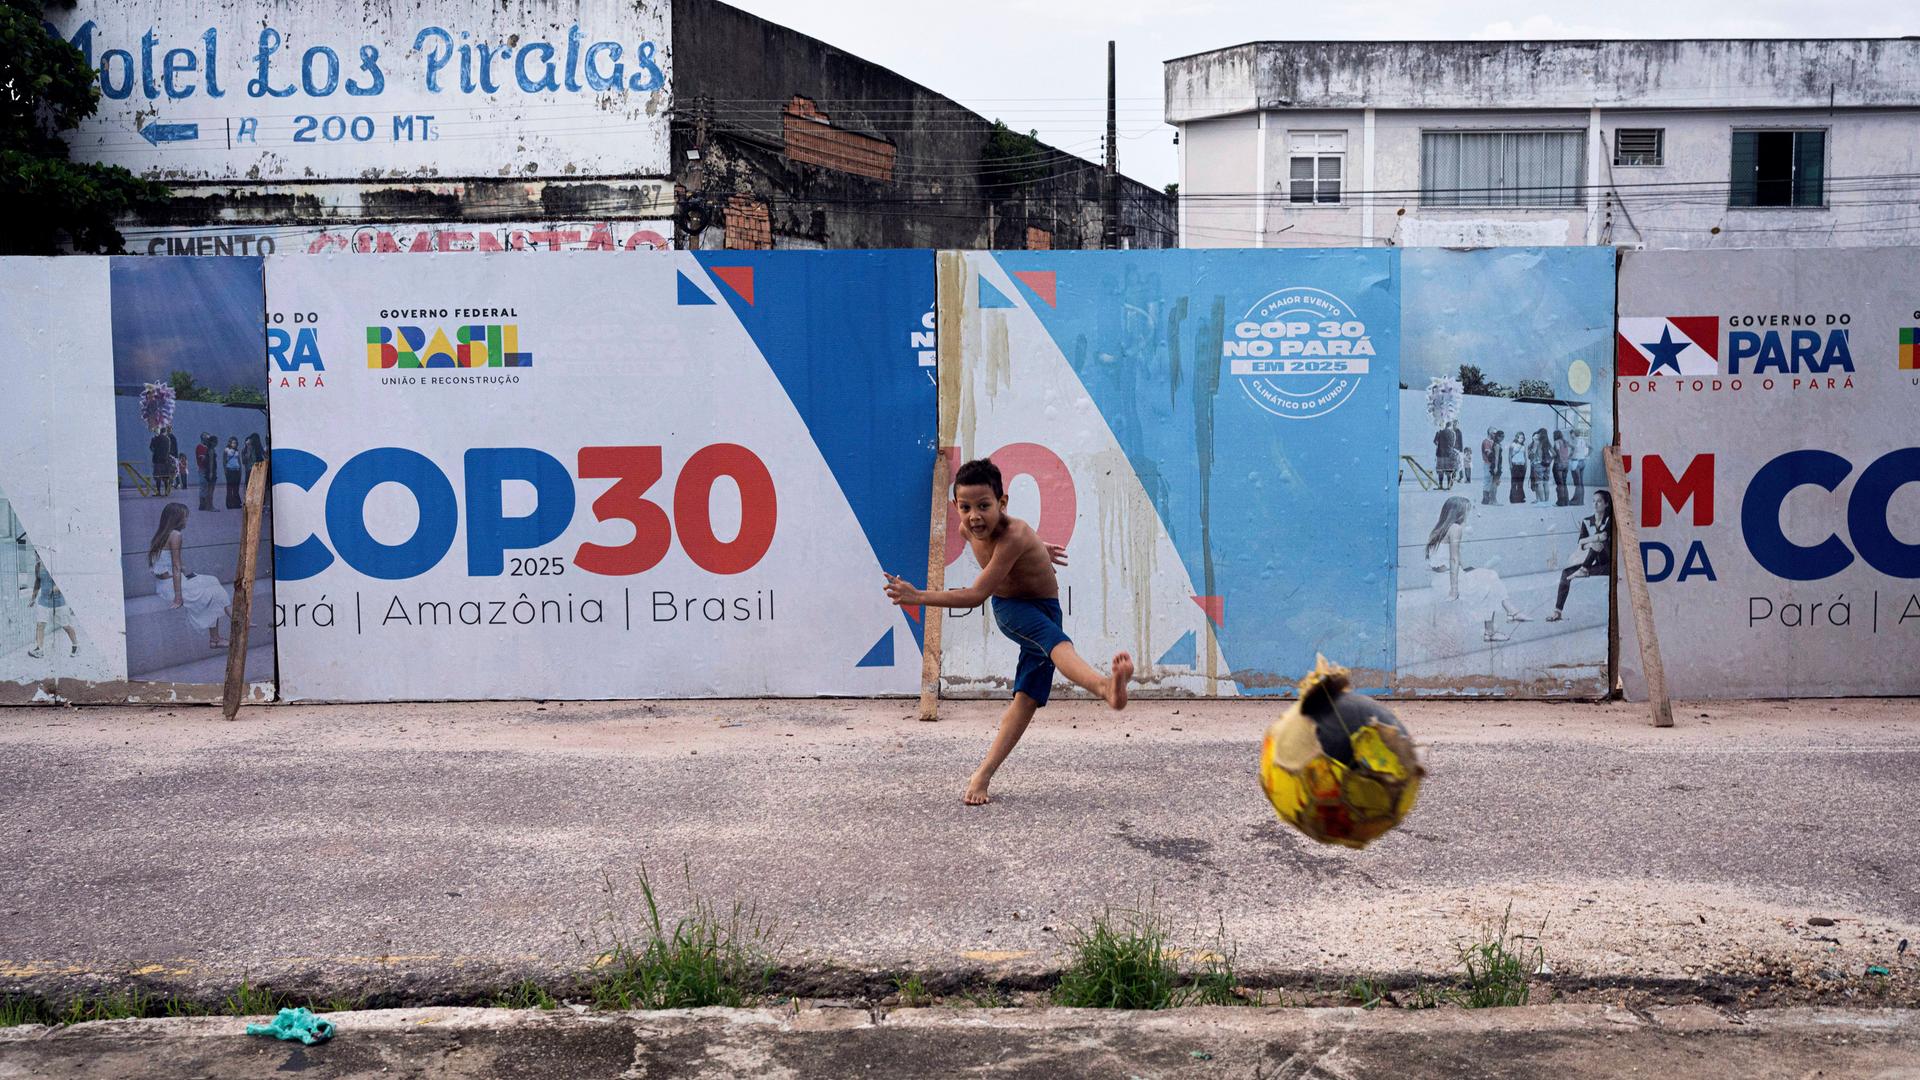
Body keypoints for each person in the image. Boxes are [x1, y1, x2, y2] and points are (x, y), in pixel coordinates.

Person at [884, 458, 1133, 805]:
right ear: (956, 506)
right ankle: (1104, 686)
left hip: (1045, 607)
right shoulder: (966, 529)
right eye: (966, 507)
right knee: (1056, 644)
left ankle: (982, 775)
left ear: (1002, 504)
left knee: (1026, 701)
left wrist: (1034, 547)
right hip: (1012, 609)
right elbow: (978, 594)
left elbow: (1006, 551)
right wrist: (918, 597)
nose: (974, 517)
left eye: (984, 506)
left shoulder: (1015, 534)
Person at [1426, 496, 1529, 642]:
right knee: (1491, 580)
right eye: (1467, 511)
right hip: (1451, 582)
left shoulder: (1437, 530)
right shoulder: (1455, 528)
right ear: (1459, 513)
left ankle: (1508, 614)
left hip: (1439, 580)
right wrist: (1454, 590)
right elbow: (1454, 560)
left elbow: (1441, 562)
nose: (1468, 515)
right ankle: (1504, 619)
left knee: (1489, 577)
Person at [147, 502, 233, 650]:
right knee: (214, 592)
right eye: (185, 517)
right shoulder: (176, 535)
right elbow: (176, 566)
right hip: (172, 587)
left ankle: (217, 636)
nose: (186, 520)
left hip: (163, 585)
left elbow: (162, 566)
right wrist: (178, 596)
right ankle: (226, 629)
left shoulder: (160, 535)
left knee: (212, 580)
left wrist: (186, 574)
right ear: (177, 518)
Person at [1547, 490, 1613, 622]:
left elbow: (1604, 536)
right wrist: (1591, 543)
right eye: (1593, 501)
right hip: (1594, 565)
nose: (1595, 504)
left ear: (1606, 504)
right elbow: (1581, 543)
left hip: (1609, 565)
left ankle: (1584, 569)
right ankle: (1557, 612)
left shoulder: (1610, 520)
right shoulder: (1587, 521)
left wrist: (1591, 540)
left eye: (1599, 501)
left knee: (1599, 541)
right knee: (1566, 573)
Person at [26, 556, 78, 659]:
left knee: (66, 626)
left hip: (58, 603)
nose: (38, 557)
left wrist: (55, 588)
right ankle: (40, 649)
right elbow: (37, 582)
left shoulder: (56, 564)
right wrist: (33, 598)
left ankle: (75, 645)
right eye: (37, 554)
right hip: (43, 602)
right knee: (40, 625)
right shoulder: (38, 566)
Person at [148, 427, 174, 497]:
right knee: (165, 476)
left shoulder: (155, 438)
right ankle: (166, 492)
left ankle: (158, 492)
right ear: (165, 432)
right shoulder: (168, 439)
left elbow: (151, 447)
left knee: (158, 476)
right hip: (165, 460)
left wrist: (155, 451)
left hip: (157, 460)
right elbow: (169, 450)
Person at [1481, 428, 1503, 506]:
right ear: (1490, 433)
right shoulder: (1486, 442)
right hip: (1488, 463)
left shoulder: (1493, 442)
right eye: (1494, 433)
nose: (1495, 434)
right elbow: (1488, 453)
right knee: (1488, 481)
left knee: (1492, 482)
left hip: (1492, 464)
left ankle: (1488, 499)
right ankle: (1486, 499)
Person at [1529, 429, 1552, 504]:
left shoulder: (1537, 442)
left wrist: (1533, 450)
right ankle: (1547, 501)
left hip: (1538, 465)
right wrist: (1549, 460)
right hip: (1547, 465)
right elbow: (1554, 453)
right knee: (1546, 483)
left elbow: (1532, 455)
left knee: (1539, 483)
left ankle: (1542, 503)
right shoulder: (1547, 443)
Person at [196, 433, 217, 511]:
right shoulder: (200, 447)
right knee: (204, 487)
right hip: (203, 469)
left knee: (206, 488)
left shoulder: (208, 448)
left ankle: (204, 505)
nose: (208, 440)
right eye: (207, 438)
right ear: (203, 438)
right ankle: (203, 505)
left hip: (206, 470)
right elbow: (202, 459)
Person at [1433, 424, 1457, 490]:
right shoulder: (1453, 433)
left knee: (1440, 470)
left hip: (1440, 453)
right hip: (1449, 454)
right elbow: (1453, 444)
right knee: (1448, 470)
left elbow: (1435, 442)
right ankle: (1449, 486)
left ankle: (1440, 485)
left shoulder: (1439, 432)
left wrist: (1440, 444)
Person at [1552, 431, 1572, 506]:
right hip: (1566, 464)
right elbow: (1573, 448)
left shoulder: (1557, 442)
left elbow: (1557, 451)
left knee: (1559, 484)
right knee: (1564, 483)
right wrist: (1568, 457)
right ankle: (1566, 501)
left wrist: (1557, 457)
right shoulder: (1565, 442)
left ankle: (1560, 502)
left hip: (1558, 464)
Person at [223, 437, 243, 509]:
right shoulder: (226, 450)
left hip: (237, 470)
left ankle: (236, 503)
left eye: (236, 443)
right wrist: (225, 470)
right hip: (230, 470)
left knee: (236, 488)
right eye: (233, 443)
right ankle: (229, 504)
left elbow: (239, 461)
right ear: (230, 443)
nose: (235, 444)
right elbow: (224, 461)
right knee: (230, 488)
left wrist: (240, 470)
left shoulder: (237, 451)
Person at [1571, 431, 1590, 503]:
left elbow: (1573, 450)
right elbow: (1591, 448)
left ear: (1574, 434)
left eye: (1571, 434)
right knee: (1581, 482)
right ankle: (1581, 500)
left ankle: (1577, 500)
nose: (1571, 436)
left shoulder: (1575, 440)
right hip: (1582, 461)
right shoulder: (1583, 440)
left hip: (1576, 462)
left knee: (1577, 483)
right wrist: (1586, 455)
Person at [1507, 434, 1527, 504]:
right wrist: (1510, 465)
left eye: (1523, 438)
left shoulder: (1523, 446)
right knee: (1514, 482)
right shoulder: (1512, 445)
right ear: (1517, 438)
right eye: (1520, 437)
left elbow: (1525, 457)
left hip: (1522, 465)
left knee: (1520, 483)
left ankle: (1520, 498)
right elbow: (1509, 456)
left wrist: (1526, 466)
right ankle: (1513, 499)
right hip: (1515, 465)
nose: (1522, 439)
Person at [1451, 421, 1470, 486]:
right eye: (1454, 424)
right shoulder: (1451, 431)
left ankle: (1461, 477)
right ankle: (1453, 477)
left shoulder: (1458, 432)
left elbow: (1460, 441)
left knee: (1459, 464)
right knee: (1453, 463)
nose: (1454, 425)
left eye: (1456, 424)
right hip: (1452, 449)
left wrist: (1461, 451)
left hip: (1458, 450)